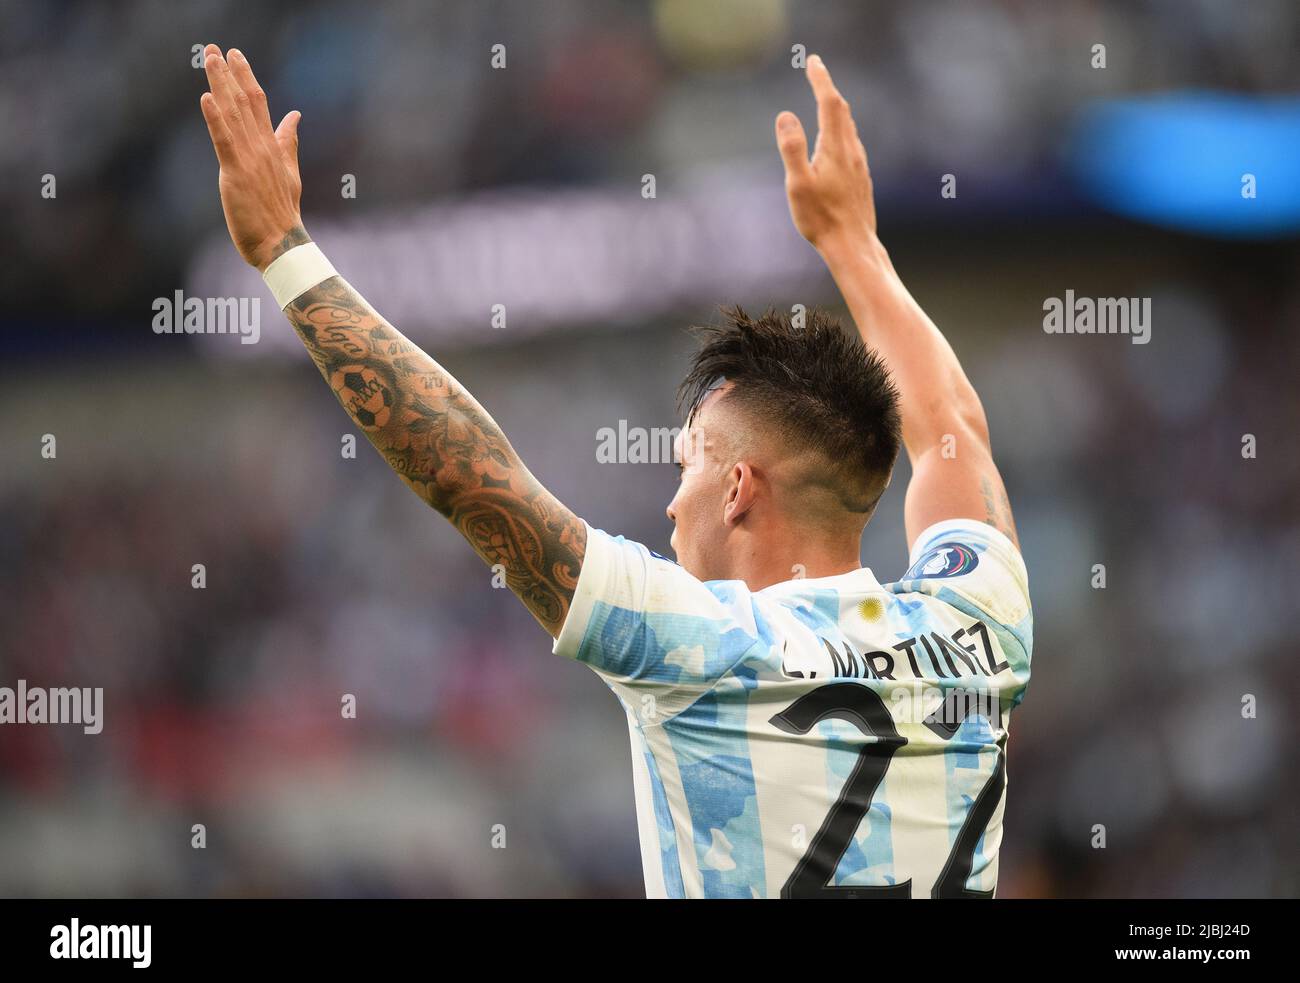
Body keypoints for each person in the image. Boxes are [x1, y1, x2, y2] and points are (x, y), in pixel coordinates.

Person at [197, 44, 1032, 898]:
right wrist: (856, 246)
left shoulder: (706, 650)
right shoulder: (976, 627)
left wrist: (285, 253)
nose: (670, 506)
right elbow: (952, 433)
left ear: (740, 489)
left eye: (687, 468)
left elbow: (471, 474)